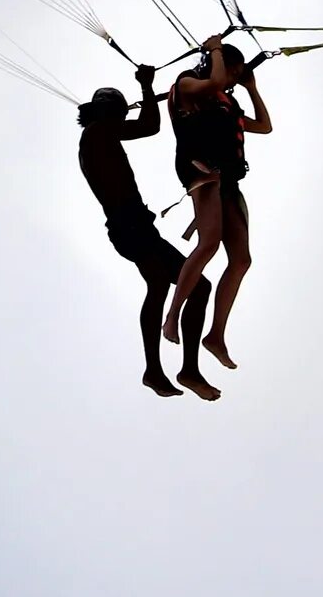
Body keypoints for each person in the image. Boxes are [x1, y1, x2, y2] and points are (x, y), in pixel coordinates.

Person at [76, 66, 218, 399]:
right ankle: (185, 370)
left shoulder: (100, 133)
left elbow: (146, 125)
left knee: (159, 285)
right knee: (198, 285)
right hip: (131, 228)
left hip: (132, 229)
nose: (119, 114)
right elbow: (151, 126)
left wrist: (146, 92)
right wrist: (146, 87)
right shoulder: (96, 133)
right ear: (104, 112)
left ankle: (155, 371)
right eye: (115, 108)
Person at [162, 39, 271, 369]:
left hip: (228, 181)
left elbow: (264, 127)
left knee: (241, 260)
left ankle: (216, 335)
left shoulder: (227, 104)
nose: (234, 80)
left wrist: (252, 89)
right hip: (202, 171)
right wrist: (217, 49)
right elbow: (215, 81)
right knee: (208, 243)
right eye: (234, 74)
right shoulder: (187, 84)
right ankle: (172, 315)